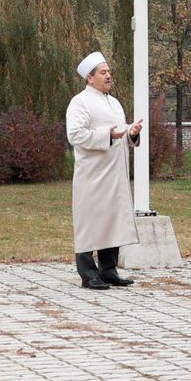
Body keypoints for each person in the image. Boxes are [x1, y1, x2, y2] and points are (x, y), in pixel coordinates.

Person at [63, 52, 140, 291]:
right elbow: (75, 135)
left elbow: (120, 132)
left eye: (109, 72)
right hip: (93, 175)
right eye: (103, 72)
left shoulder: (114, 102)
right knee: (90, 221)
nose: (108, 76)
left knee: (112, 220)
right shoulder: (80, 102)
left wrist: (131, 133)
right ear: (90, 78)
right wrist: (108, 135)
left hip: (114, 174)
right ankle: (88, 274)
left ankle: (108, 270)